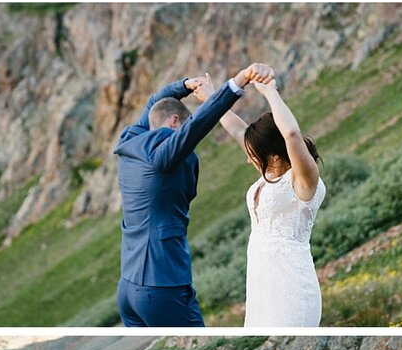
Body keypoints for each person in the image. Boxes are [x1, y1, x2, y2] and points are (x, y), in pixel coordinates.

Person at [114, 64, 263, 327]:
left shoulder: (130, 141)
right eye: (179, 127)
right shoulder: (164, 155)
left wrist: (184, 86)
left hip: (128, 288)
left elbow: (154, 103)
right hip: (161, 282)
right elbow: (198, 124)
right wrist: (238, 82)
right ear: (174, 122)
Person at [240, 77, 325, 328]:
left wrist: (270, 91)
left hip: (291, 290)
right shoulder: (270, 178)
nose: (248, 161)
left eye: (253, 156)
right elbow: (237, 130)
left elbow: (291, 134)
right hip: (261, 292)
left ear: (274, 156)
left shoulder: (303, 181)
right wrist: (215, 97)